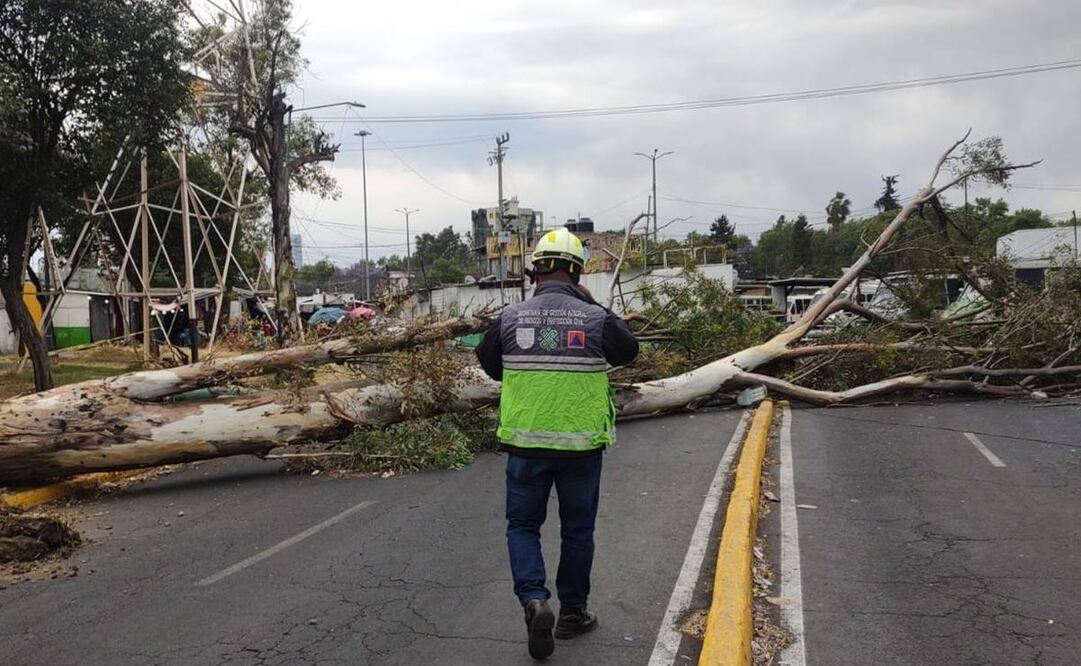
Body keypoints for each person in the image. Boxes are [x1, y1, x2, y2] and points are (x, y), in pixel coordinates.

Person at [476, 227, 639, 660]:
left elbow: (491, 365)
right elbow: (629, 351)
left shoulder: (510, 319)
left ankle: (534, 600)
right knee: (577, 530)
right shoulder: (594, 318)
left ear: (535, 272)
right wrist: (594, 304)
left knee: (523, 527)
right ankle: (573, 613)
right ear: (577, 272)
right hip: (581, 447)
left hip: (525, 445)